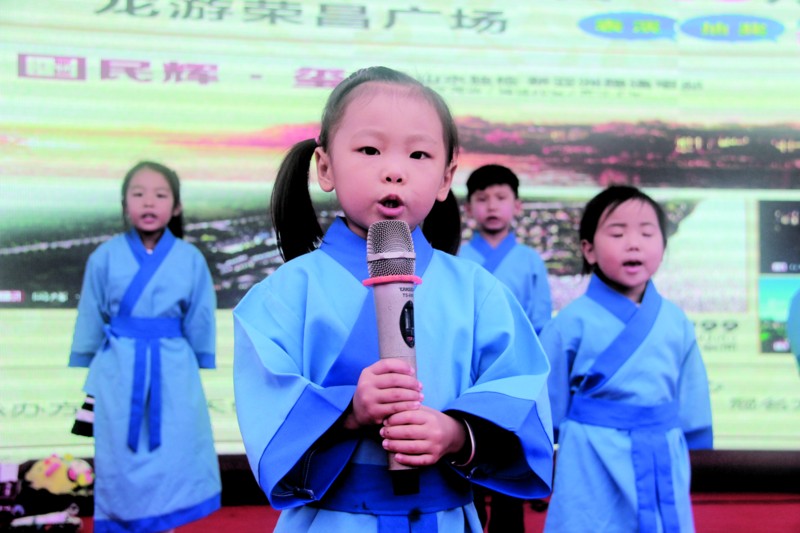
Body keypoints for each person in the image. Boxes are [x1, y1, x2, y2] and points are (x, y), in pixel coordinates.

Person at [233, 66, 554, 532]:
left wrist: (456, 435)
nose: (395, 170)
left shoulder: (477, 290)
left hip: (444, 517)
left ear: (446, 179)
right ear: (325, 166)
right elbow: (268, 405)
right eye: (369, 149)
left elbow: (520, 393)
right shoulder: (285, 292)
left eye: (419, 154)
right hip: (334, 520)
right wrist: (348, 411)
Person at [539, 185, 713, 533]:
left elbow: (692, 398)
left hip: (661, 448)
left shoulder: (676, 321)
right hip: (590, 455)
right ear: (588, 250)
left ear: (663, 246)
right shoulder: (569, 323)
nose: (634, 243)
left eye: (647, 233)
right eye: (618, 233)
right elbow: (548, 404)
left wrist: (699, 448)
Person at [68, 161, 221, 533]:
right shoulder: (104, 257)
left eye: (160, 194)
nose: (148, 202)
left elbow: (201, 314)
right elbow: (91, 309)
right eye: (138, 194)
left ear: (177, 206)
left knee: (173, 452)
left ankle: (164, 524)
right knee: (119, 453)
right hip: (118, 366)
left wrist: (201, 354)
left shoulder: (190, 258)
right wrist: (86, 354)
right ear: (124, 204)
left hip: (173, 366)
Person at [459, 164, 553, 531]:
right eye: (482, 199)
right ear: (469, 209)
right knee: (467, 469)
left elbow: (541, 322)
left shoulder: (530, 260)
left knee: (509, 481)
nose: (492, 206)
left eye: (501, 197)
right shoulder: (458, 258)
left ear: (518, 205)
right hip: (468, 380)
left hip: (516, 379)